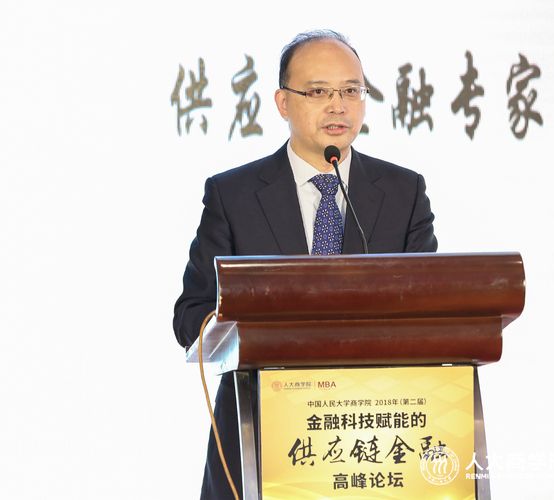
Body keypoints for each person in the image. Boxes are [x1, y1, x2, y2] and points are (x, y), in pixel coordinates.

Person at [173, 29, 438, 499]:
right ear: (283, 102)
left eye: (351, 91)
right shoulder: (233, 195)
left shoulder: (404, 192)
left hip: (373, 439)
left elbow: (429, 311)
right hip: (259, 437)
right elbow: (191, 315)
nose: (338, 106)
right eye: (318, 92)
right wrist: (254, 325)